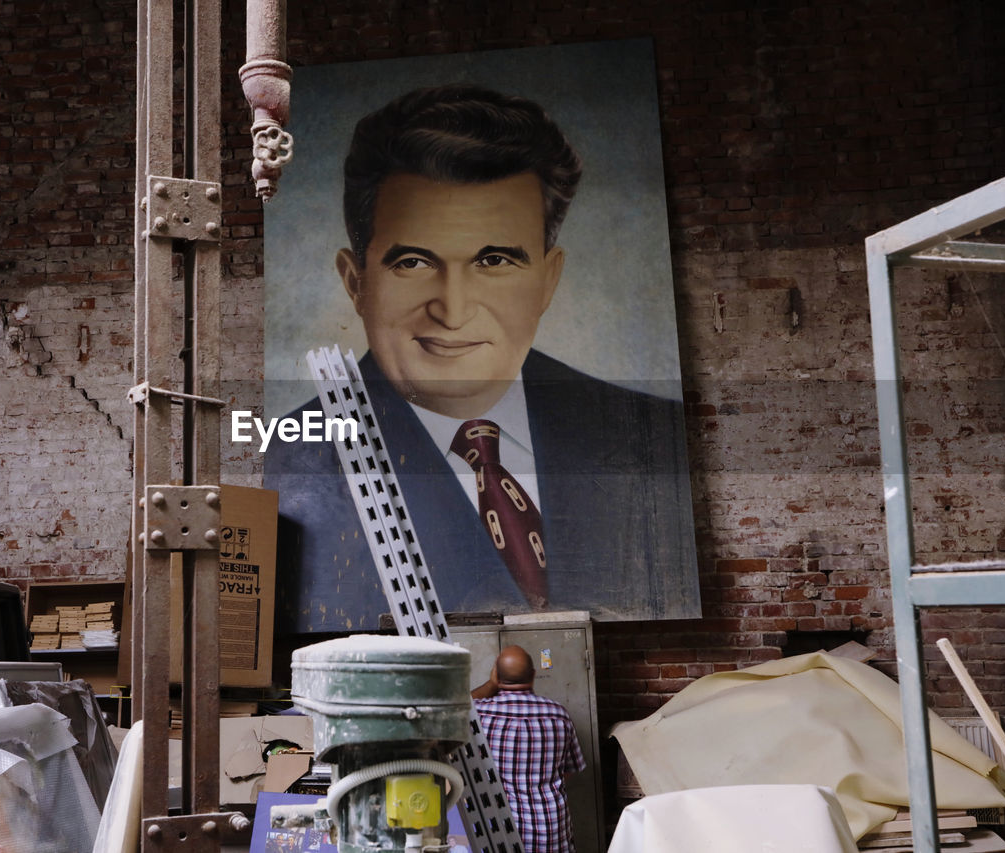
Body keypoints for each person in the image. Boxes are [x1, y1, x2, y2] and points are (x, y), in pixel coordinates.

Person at [265, 84, 695, 632]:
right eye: (414, 262)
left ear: (548, 279)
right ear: (356, 282)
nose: (453, 309)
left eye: (494, 259)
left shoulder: (651, 434)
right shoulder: (293, 457)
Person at [471, 645, 585, 853]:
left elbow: (459, 704)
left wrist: (490, 684)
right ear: (533, 675)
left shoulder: (480, 713)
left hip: (500, 830)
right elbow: (569, 770)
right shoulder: (558, 715)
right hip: (549, 829)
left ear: (496, 674)